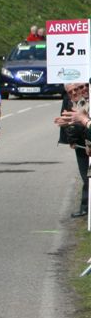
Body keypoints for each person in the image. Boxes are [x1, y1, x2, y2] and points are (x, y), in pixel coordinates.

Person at [53, 82, 90, 218]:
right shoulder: (69, 102)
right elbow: (68, 123)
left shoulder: (87, 102)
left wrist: (73, 122)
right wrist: (71, 141)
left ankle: (86, 208)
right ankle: (85, 208)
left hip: (88, 144)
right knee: (86, 176)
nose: (76, 92)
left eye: (79, 88)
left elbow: (84, 121)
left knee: (88, 177)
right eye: (71, 91)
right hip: (81, 146)